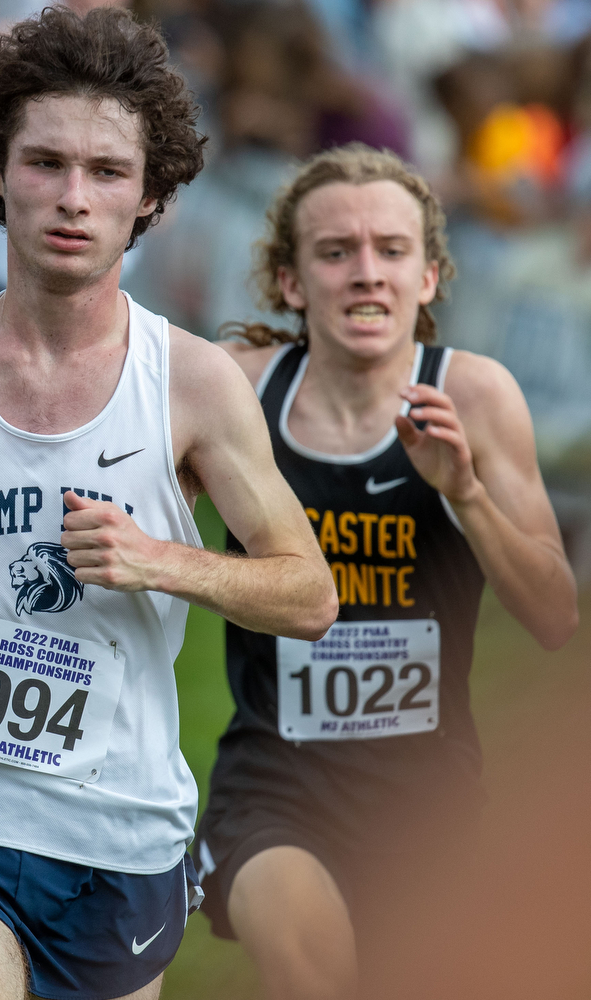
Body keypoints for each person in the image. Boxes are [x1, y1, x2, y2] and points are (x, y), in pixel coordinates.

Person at [0, 9, 338, 1000]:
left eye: (105, 172)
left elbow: (307, 592)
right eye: (45, 162)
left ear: (151, 198)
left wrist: (156, 560)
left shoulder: (190, 383)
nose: (71, 197)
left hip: (117, 835)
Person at [195, 143, 579, 1000]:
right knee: (313, 973)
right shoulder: (238, 391)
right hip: (274, 784)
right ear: (291, 282)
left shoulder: (475, 398)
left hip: (430, 802)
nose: (366, 273)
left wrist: (467, 493)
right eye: (336, 252)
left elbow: (556, 618)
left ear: (431, 276)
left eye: (391, 251)